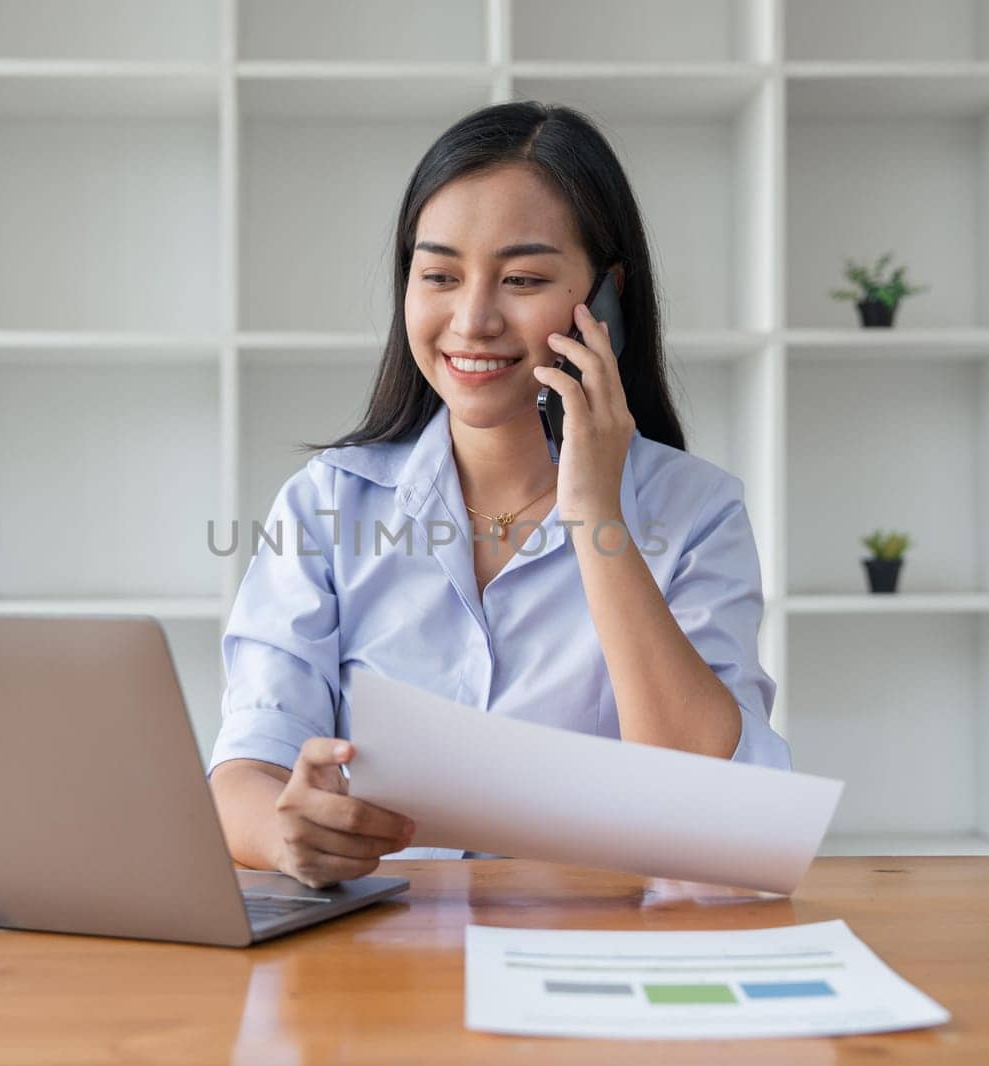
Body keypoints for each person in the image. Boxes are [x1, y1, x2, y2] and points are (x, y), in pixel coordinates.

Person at [208, 100, 790, 890]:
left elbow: (707, 806)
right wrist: (287, 833)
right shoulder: (326, 505)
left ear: (607, 299)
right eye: (439, 275)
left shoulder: (697, 514)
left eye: (522, 279)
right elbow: (245, 769)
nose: (473, 320)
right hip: (382, 967)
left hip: (599, 959)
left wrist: (594, 513)